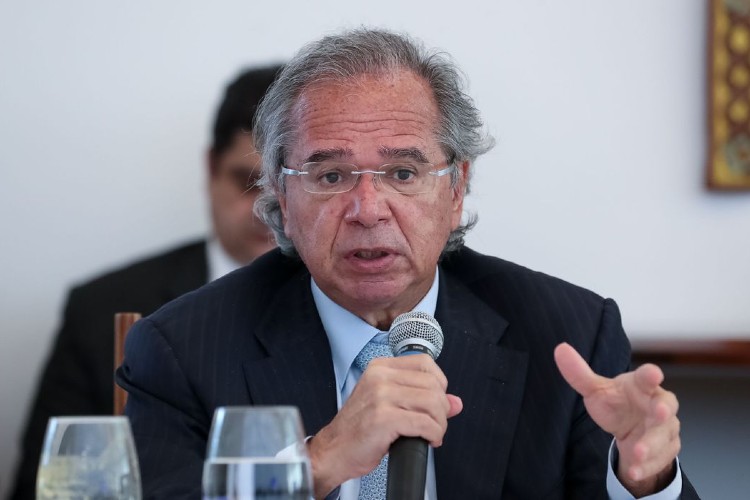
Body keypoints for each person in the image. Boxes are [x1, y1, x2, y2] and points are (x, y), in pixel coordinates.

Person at [117, 29, 700, 499]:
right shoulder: (182, 350)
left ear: (456, 189)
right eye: (330, 176)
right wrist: (317, 463)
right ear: (282, 200)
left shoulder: (568, 334)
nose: (368, 210)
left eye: (402, 173)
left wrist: (643, 481)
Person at [7, 65, 282, 500]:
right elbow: (38, 489)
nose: (265, 210)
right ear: (210, 167)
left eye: (282, 186)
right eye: (247, 183)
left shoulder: (361, 304)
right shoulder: (100, 308)